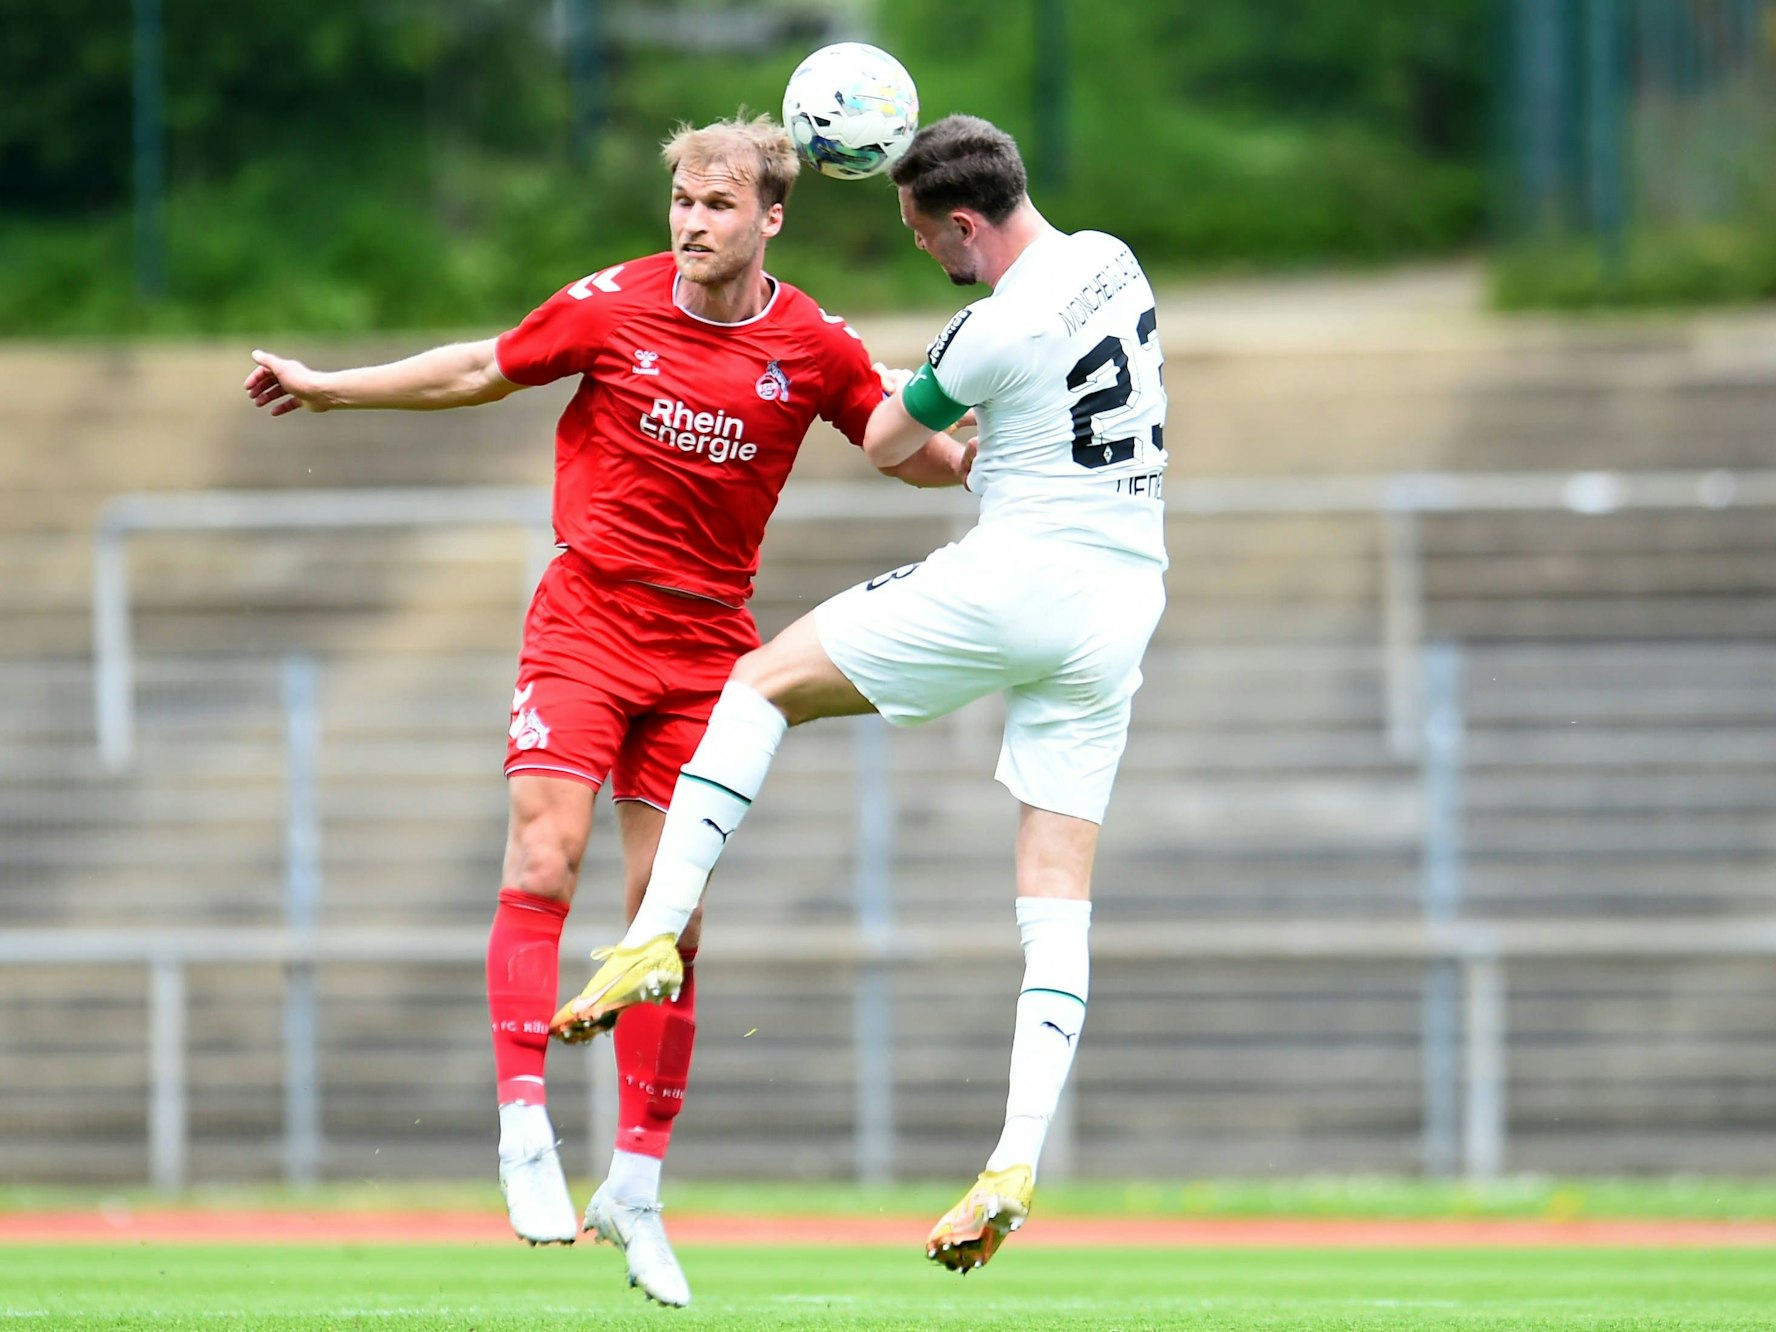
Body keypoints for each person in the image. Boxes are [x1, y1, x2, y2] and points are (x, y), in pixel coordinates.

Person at [241, 114, 972, 1307]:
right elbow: (484, 363)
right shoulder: (614, 305)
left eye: (718, 206)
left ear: (770, 219)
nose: (691, 223)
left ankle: (636, 1183)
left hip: (707, 651)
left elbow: (897, 444)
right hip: (587, 619)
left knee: (663, 922)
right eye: (681, 201)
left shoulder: (814, 344)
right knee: (546, 852)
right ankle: (525, 1129)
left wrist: (982, 458)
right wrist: (334, 388)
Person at [553, 113, 1169, 1274]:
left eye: (928, 236)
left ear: (966, 223)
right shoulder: (1111, 260)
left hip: (1023, 575)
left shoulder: (989, 326)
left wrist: (909, 382)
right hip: (1125, 600)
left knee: (759, 683)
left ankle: (646, 941)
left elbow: (890, 440)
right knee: (1055, 893)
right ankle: (1014, 1161)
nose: (928, 254)